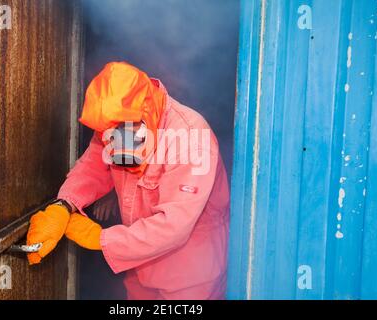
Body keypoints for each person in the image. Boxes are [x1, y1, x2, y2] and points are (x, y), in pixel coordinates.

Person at [26, 62, 230, 300]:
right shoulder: (116, 123)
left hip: (190, 276)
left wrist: (100, 239)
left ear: (146, 111)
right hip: (139, 267)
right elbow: (93, 166)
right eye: (106, 133)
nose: (112, 139)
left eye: (121, 131)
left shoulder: (191, 138)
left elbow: (174, 226)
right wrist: (64, 205)